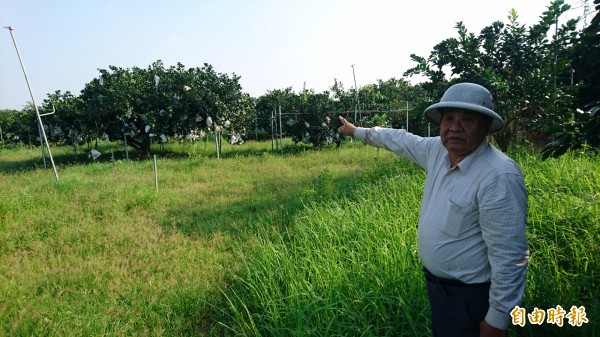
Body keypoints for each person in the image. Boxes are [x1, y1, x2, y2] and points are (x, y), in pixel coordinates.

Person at [337, 83, 528, 337]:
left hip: (472, 297)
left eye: (467, 120)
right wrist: (356, 132)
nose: (455, 127)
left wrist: (498, 318)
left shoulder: (498, 175)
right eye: (449, 118)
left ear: (485, 127)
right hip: (440, 290)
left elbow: (511, 255)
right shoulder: (437, 151)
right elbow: (399, 139)